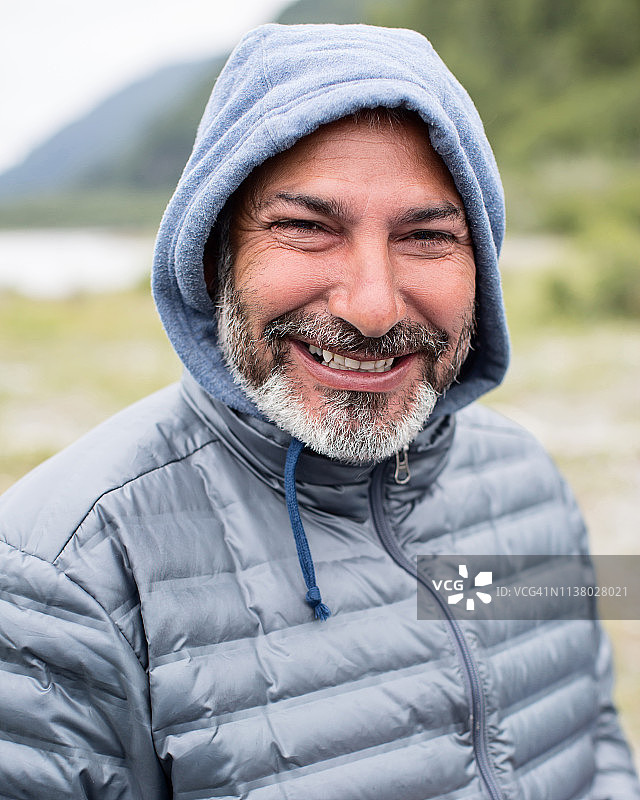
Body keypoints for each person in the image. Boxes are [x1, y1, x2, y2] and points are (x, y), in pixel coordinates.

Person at [0, 22, 637, 800]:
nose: (371, 308)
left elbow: (591, 735)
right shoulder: (62, 576)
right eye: (306, 228)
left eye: (429, 236)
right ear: (213, 252)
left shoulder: (525, 478)